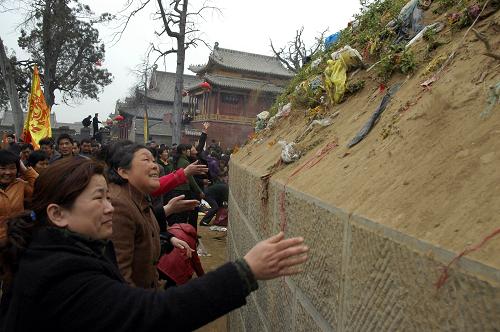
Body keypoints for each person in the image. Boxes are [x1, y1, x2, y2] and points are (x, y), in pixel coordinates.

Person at [0, 157, 308, 332]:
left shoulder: (71, 246)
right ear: (57, 213)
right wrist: (246, 271)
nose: (108, 207)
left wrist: (165, 219)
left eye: (107, 196)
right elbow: (147, 312)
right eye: (98, 198)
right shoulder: (62, 273)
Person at [105, 142, 201, 288]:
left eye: (154, 161)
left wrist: (168, 238)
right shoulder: (118, 205)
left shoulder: (137, 196)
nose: (155, 166)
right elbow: (120, 277)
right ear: (123, 171)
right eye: (146, 160)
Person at [0, 150, 38, 245]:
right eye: (2, 168)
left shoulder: (21, 185)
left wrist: (25, 170)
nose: (7, 172)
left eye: (12, 168)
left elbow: (41, 187)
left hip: (18, 239)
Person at [168, 144, 204, 230]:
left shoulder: (174, 160)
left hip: (174, 189)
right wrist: (199, 191)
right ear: (184, 151)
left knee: (177, 214)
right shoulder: (185, 162)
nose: (189, 151)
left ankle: (175, 231)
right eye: (188, 150)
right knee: (183, 215)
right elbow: (191, 179)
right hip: (184, 190)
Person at [157, 223, 204, 287]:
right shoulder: (191, 239)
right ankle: (170, 286)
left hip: (157, 262)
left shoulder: (169, 230)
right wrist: (202, 276)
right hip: (174, 268)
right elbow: (196, 261)